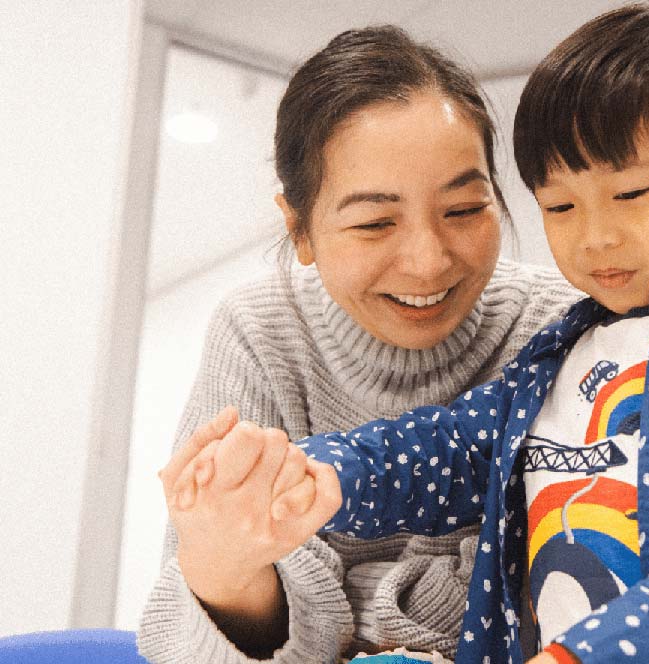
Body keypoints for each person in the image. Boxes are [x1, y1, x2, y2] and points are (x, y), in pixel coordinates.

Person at [216, 4, 649, 662]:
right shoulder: (553, 355)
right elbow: (447, 449)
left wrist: (598, 651)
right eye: (561, 206)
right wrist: (322, 474)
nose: (595, 236)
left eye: (631, 195)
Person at [138, 25, 582, 664]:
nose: (428, 262)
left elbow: (569, 584)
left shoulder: (561, 328)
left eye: (463, 209)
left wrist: (339, 599)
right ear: (301, 230)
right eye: (375, 223)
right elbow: (188, 636)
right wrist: (221, 566)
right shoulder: (262, 332)